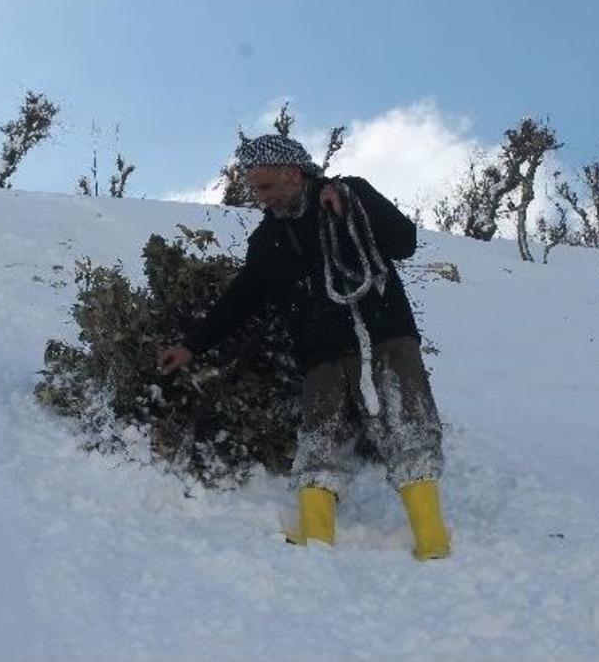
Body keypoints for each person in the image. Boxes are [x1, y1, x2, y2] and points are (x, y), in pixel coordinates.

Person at [157, 134, 450, 560]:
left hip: (386, 336)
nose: (261, 200)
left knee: (408, 423)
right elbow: (240, 300)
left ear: (293, 174)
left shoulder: (350, 193)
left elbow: (404, 242)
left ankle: (432, 539)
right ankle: (314, 536)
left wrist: (353, 204)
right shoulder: (266, 241)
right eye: (256, 190)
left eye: (265, 188)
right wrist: (191, 347)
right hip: (322, 355)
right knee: (320, 438)